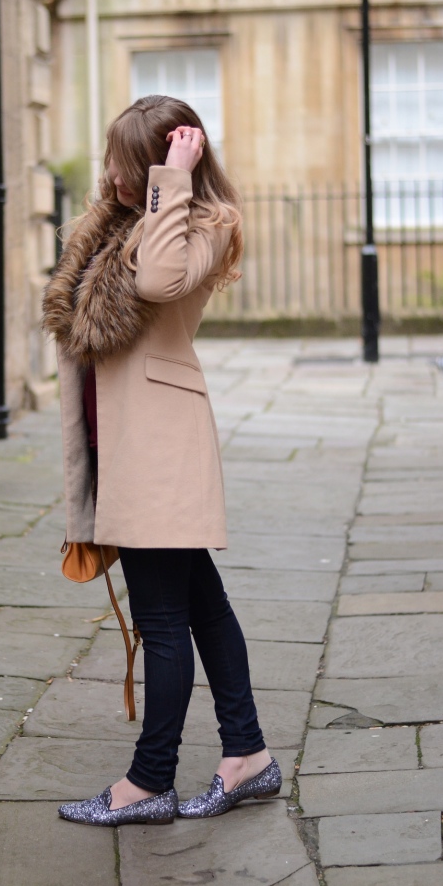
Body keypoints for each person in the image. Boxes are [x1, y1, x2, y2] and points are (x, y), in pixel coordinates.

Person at [41, 94, 281, 827]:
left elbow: (155, 283)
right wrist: (144, 194)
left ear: (164, 161)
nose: (112, 173)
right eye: (113, 160)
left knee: (164, 616)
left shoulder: (205, 222)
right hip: (124, 443)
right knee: (200, 602)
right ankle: (246, 755)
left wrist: (172, 178)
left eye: (124, 160)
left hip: (158, 445)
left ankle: (149, 781)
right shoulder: (124, 223)